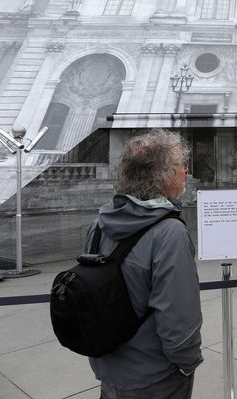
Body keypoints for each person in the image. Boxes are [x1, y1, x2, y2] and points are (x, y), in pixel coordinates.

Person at [84, 129, 203, 398]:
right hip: (156, 377)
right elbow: (178, 320)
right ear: (164, 176)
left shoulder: (99, 224)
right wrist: (187, 364)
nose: (186, 171)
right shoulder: (169, 233)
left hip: (109, 370)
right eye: (181, 165)